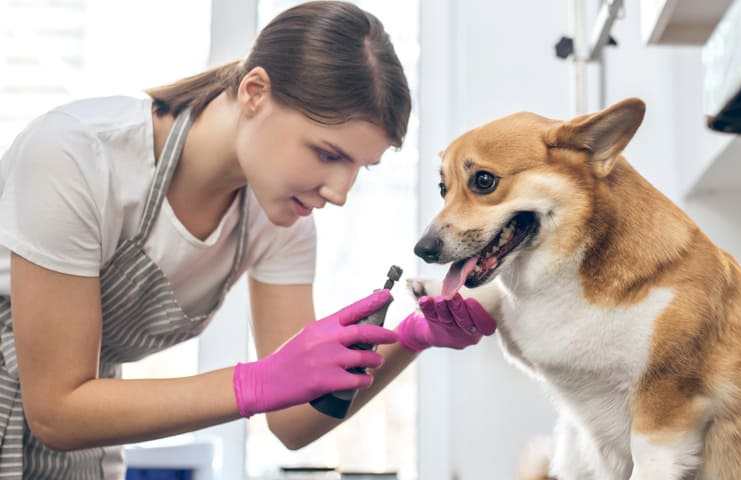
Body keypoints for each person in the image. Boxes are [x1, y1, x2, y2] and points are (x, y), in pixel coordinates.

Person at [0, 1, 497, 478]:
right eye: (327, 154)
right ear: (254, 92)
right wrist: (257, 380)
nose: (339, 193)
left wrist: (409, 338)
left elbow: (292, 420)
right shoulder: (76, 155)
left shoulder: (280, 219)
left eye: (359, 168)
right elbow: (57, 410)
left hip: (79, 445)